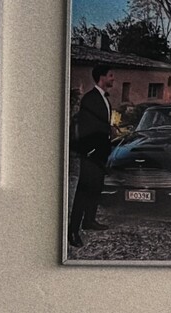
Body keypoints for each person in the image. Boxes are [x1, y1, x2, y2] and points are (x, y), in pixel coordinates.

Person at [68, 64, 115, 249]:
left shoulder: (104, 99)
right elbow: (88, 126)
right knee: (83, 191)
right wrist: (106, 132)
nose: (113, 79)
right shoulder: (90, 99)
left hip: (102, 152)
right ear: (102, 77)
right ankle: (73, 231)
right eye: (111, 75)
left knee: (96, 188)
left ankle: (89, 220)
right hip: (91, 153)